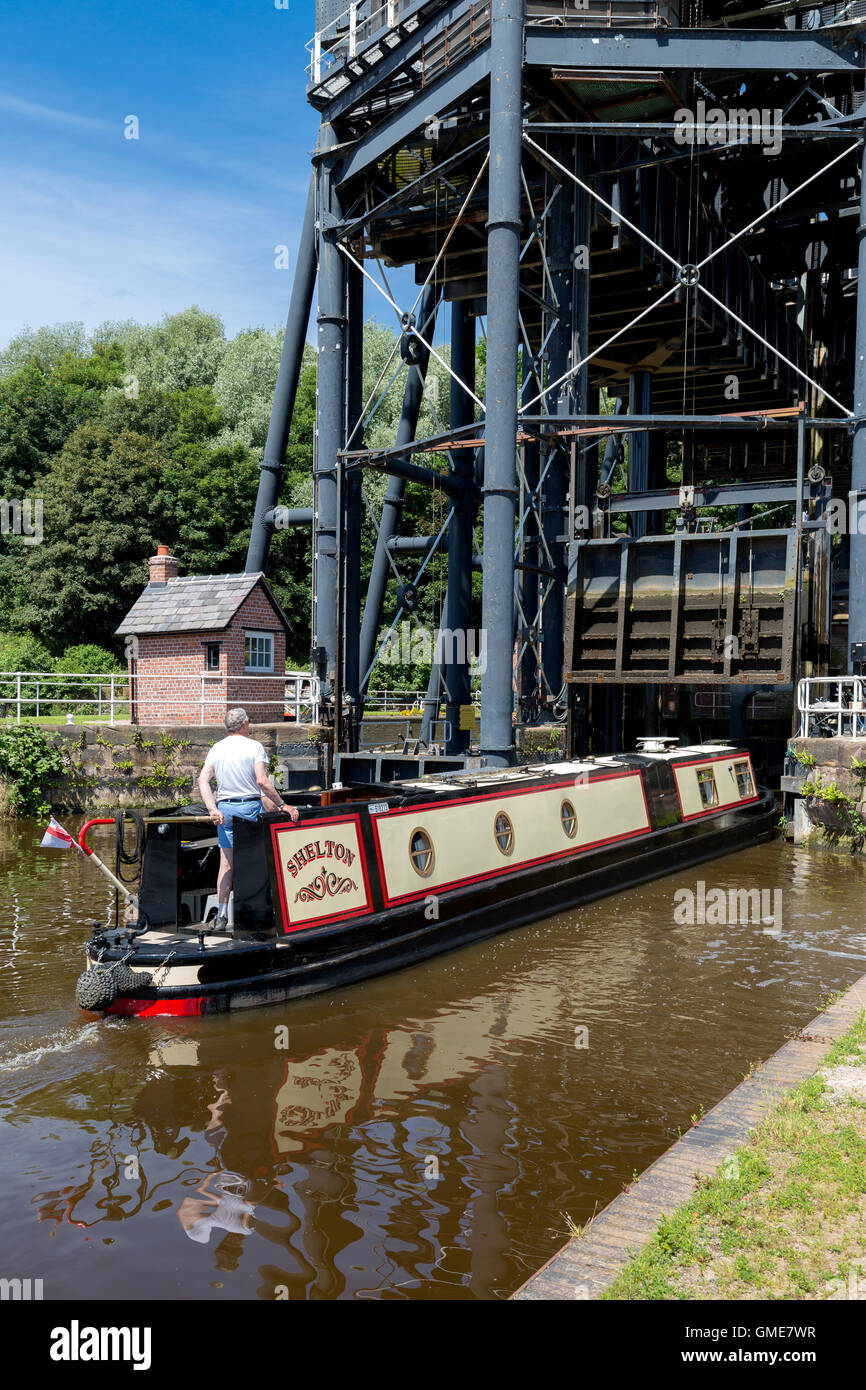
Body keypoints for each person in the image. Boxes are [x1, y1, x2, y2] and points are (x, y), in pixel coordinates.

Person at [198, 707, 299, 930]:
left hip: (225, 810)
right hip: (249, 808)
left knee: (226, 864)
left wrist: (212, 808)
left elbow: (203, 780)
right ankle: (254, 912)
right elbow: (262, 781)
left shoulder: (217, 748)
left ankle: (222, 916)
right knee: (255, 860)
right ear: (245, 724)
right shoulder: (254, 747)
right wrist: (283, 805)